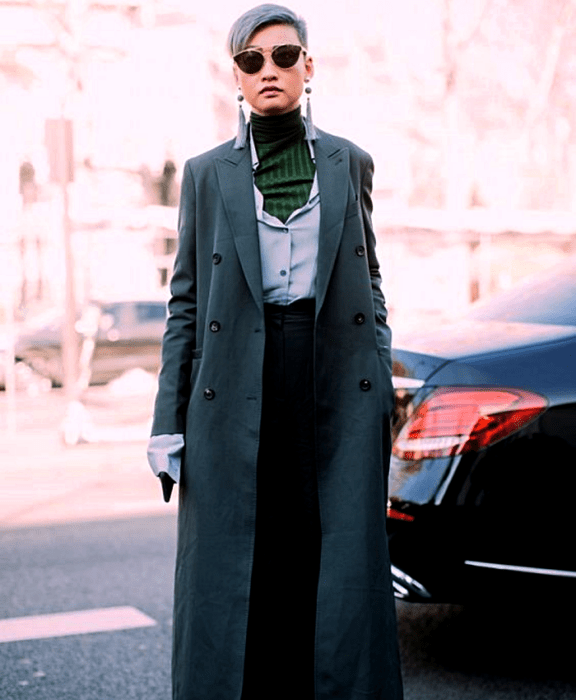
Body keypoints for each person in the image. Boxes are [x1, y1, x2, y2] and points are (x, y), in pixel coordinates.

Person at [147, 5, 403, 699]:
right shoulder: (206, 175)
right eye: (252, 61)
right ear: (235, 76)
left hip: (329, 371)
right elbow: (186, 304)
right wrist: (166, 421)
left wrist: (378, 373)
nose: (269, 71)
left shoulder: (350, 163)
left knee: (327, 547)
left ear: (308, 67)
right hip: (236, 379)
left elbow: (369, 277)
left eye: (284, 57)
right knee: (245, 549)